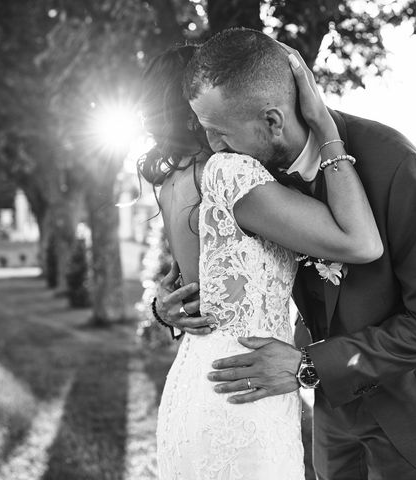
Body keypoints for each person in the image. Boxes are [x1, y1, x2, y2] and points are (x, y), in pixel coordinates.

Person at [154, 28, 416, 480]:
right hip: (335, 418)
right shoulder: (252, 172)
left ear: (273, 121)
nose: (213, 149)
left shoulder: (396, 165)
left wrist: (307, 366)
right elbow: (224, 264)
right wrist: (167, 306)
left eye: (219, 133)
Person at [139, 44, 383, 480]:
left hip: (191, 384)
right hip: (246, 387)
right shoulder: (229, 173)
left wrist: (161, 308)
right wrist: (326, 129)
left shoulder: (170, 181)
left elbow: (187, 284)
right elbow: (360, 242)